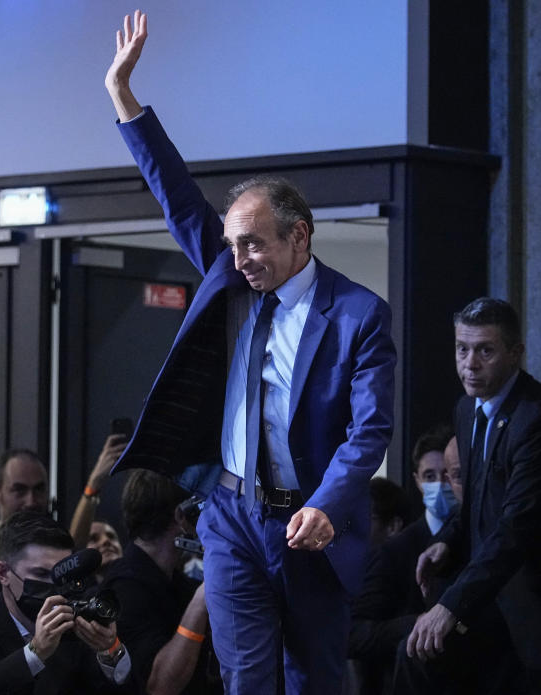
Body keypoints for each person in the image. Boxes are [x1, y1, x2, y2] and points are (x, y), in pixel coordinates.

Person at [104, 12, 396, 693]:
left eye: (254, 243)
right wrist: (122, 93)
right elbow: (172, 189)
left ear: (299, 237)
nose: (239, 259)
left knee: (311, 678)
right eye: (232, 244)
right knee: (244, 677)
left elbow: (369, 428)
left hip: (309, 522)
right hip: (231, 514)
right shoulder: (228, 275)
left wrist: (327, 503)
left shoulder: (357, 313)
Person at [401, 297, 541, 691]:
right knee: (413, 654)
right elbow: (477, 501)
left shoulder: (533, 417)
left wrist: (451, 604)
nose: (470, 364)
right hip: (485, 596)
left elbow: (516, 526)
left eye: (485, 350)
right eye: (463, 349)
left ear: (515, 353)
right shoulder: (466, 409)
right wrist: (445, 541)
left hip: (525, 604)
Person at [0, 510, 132, 695]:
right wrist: (35, 653)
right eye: (41, 574)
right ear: (3, 573)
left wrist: (110, 651)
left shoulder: (72, 628)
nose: (53, 586)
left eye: (61, 575)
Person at [349, 428, 455, 694]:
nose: (440, 485)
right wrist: (419, 623)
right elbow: (356, 635)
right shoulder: (394, 551)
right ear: (417, 481)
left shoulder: (478, 538)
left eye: (449, 475)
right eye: (430, 476)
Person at [102, 470, 211, 694]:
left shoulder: (177, 583)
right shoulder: (124, 589)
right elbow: (160, 685)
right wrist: (203, 597)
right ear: (182, 516)